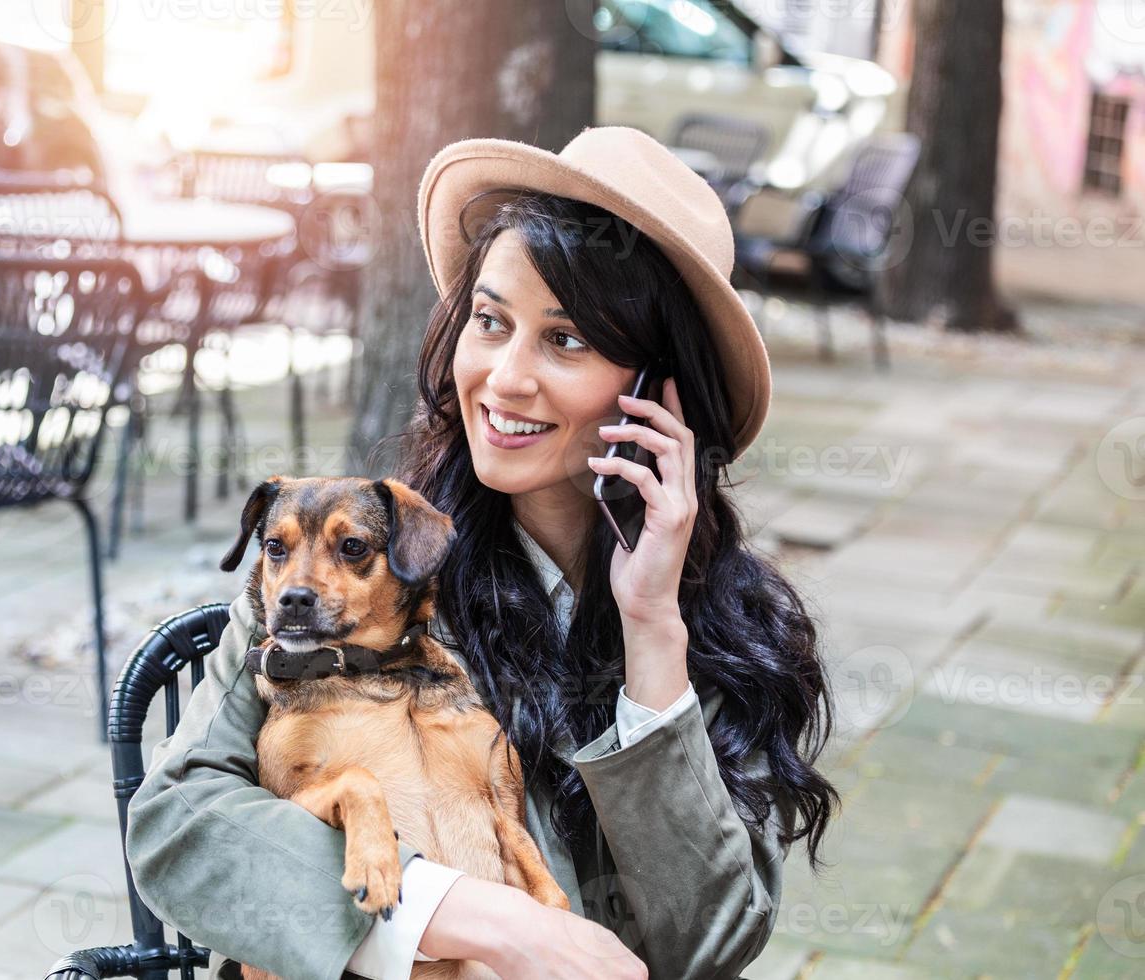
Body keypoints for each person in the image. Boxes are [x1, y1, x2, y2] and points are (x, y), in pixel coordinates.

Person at [126, 126, 838, 980]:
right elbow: (177, 823)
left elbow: (704, 945)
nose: (504, 377)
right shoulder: (361, 568)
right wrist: (467, 917)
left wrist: (652, 629)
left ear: (659, 391)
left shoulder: (721, 635)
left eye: (565, 339)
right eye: (490, 322)